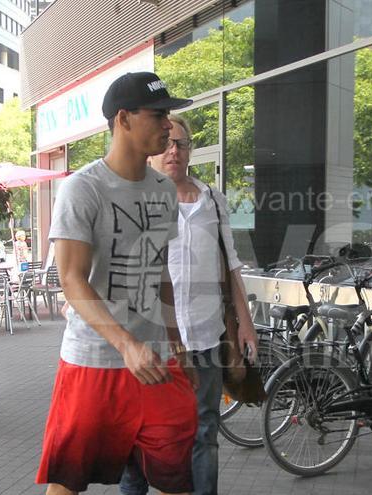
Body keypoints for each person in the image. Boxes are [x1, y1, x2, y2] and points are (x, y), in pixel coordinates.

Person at [35, 72, 198, 495]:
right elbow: (71, 280)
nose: (168, 125)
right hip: (93, 362)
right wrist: (126, 345)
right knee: (66, 482)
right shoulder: (82, 189)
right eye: (158, 114)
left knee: (176, 478)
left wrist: (176, 341)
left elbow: (162, 273)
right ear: (124, 119)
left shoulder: (164, 190)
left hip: (156, 361)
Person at [119, 114, 258, 495]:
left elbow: (231, 266)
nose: (173, 151)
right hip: (154, 343)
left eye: (181, 144)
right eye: (167, 143)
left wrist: (244, 325)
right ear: (152, 153)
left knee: (205, 431)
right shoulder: (136, 199)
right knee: (140, 440)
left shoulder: (213, 200)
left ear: (191, 152)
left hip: (206, 337)